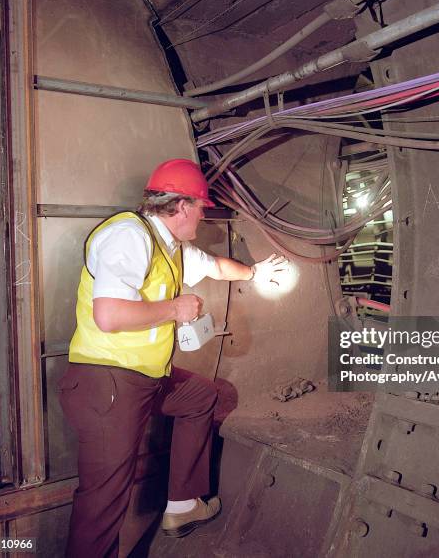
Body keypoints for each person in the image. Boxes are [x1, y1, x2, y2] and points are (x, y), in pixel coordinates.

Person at [58, 159, 288, 557]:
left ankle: (182, 506)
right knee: (104, 499)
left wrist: (254, 274)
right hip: (107, 382)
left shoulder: (170, 247)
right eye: (201, 206)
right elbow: (108, 315)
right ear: (181, 206)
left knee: (200, 396)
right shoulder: (129, 235)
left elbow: (215, 267)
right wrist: (175, 310)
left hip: (144, 378)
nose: (204, 214)